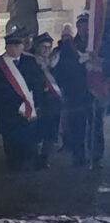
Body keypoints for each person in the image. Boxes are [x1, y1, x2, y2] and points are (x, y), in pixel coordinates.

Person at [0, 29, 42, 171]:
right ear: (7, 47)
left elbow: (38, 82)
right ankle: (13, 162)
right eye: (11, 46)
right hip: (8, 106)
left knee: (27, 134)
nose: (15, 49)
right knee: (10, 136)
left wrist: (37, 102)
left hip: (27, 104)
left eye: (17, 45)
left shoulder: (30, 61)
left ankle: (27, 159)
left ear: (22, 47)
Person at [54, 22, 90, 166]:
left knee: (79, 125)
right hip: (71, 93)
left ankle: (79, 154)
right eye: (65, 36)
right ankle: (76, 153)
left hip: (78, 93)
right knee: (74, 125)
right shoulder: (61, 52)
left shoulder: (77, 50)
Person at [75, 12, 104, 166]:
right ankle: (78, 156)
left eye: (87, 27)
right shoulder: (71, 46)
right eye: (82, 26)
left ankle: (96, 155)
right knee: (77, 125)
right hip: (78, 91)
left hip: (95, 90)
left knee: (96, 125)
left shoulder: (97, 46)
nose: (84, 30)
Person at [32, 33, 63, 169]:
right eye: (43, 47)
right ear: (37, 47)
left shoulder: (55, 62)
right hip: (39, 102)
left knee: (51, 132)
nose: (46, 50)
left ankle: (45, 158)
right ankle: (36, 157)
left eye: (49, 47)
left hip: (54, 102)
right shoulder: (32, 63)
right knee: (38, 131)